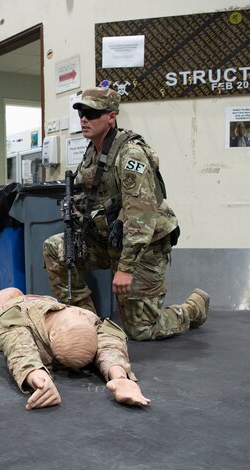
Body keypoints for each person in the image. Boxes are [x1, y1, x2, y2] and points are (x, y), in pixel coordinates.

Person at [42, 86, 209, 341]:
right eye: (81, 113)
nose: (84, 119)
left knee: (142, 330)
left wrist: (126, 269)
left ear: (111, 116)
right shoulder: (92, 151)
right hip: (110, 239)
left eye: (92, 113)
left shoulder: (130, 154)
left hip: (145, 246)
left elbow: (141, 216)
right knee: (56, 248)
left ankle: (192, 309)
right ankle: (88, 324)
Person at [0, 288, 150, 410]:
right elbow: (109, 341)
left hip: (5, 309)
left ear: (54, 334)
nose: (82, 313)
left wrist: (38, 378)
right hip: (42, 302)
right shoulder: (85, 321)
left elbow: (20, 352)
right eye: (80, 315)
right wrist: (120, 377)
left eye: (78, 315)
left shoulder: (15, 323)